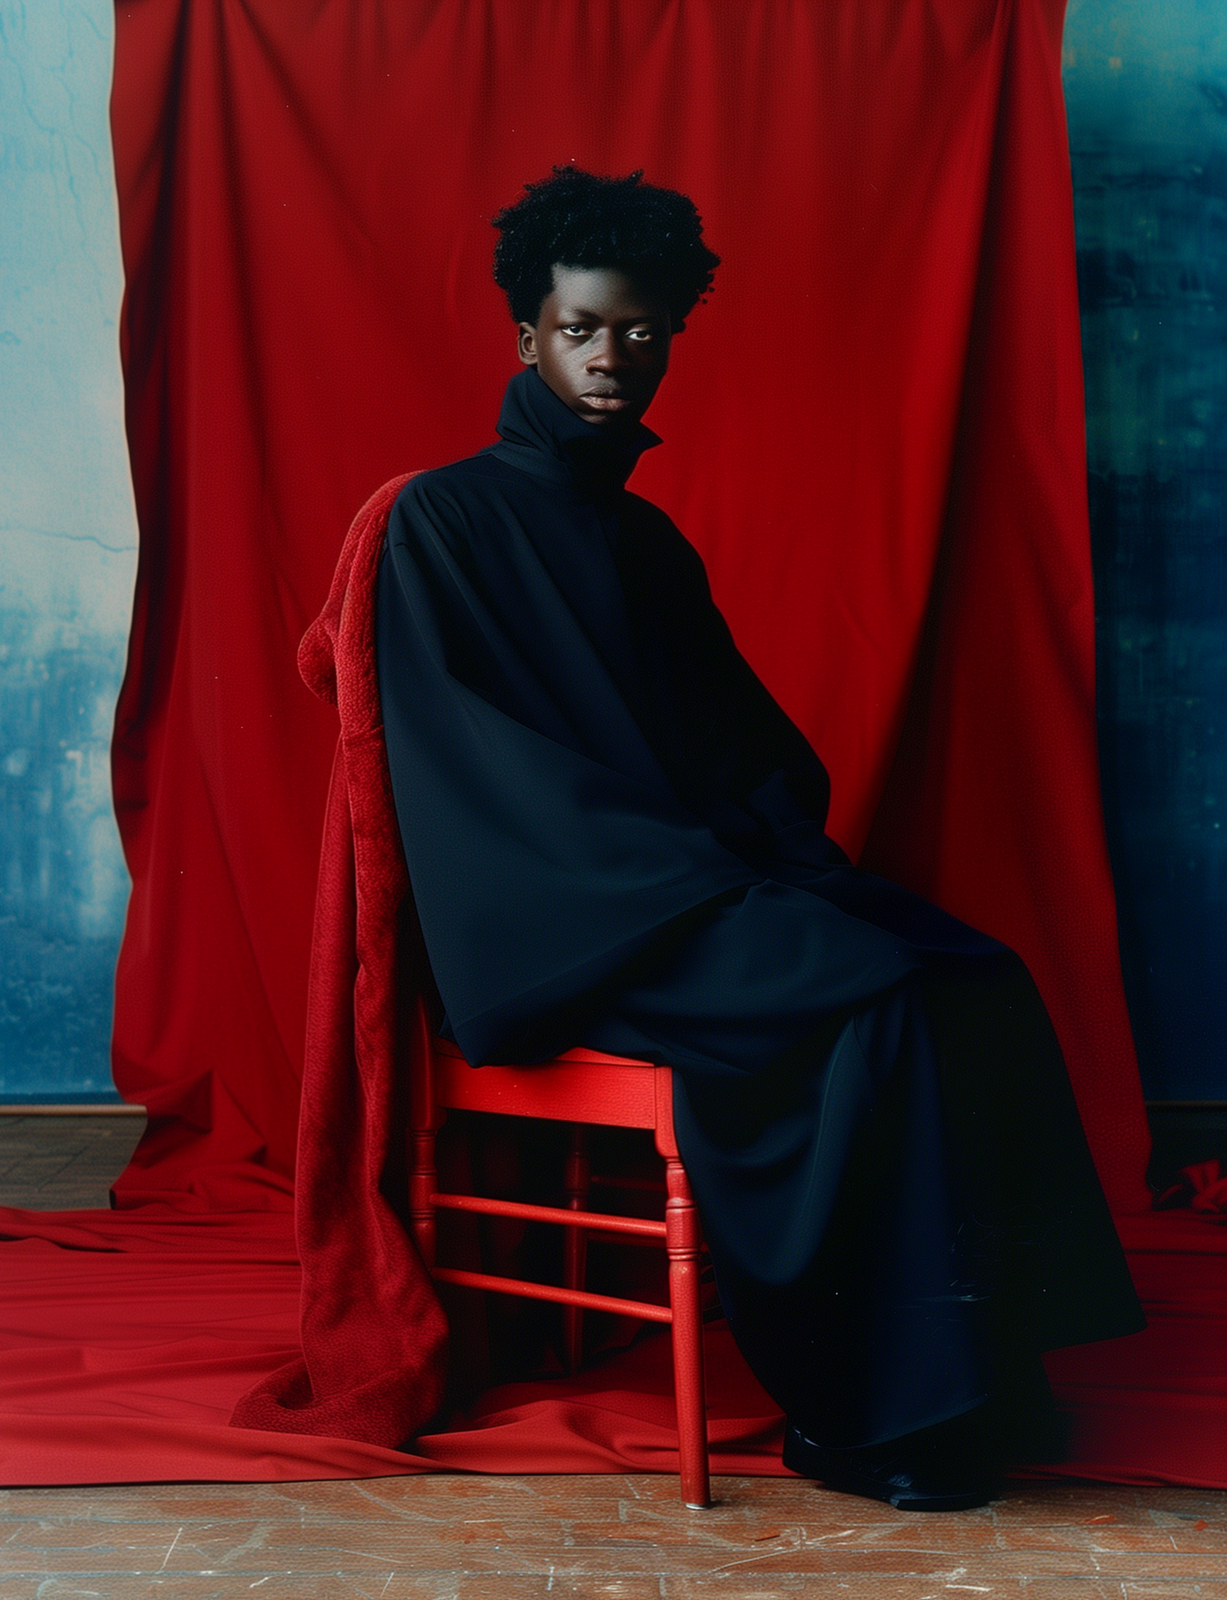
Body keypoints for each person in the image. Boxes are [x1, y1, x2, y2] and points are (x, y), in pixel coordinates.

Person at [373, 166, 1144, 1511]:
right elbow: (481, 778)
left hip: (687, 885)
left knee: (973, 974)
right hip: (564, 920)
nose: (614, 356)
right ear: (527, 334)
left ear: (671, 335)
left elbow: (747, 752)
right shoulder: (442, 519)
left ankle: (984, 1366)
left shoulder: (645, 540)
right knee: (875, 1002)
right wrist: (698, 876)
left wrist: (763, 846)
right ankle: (868, 1411)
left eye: (642, 331)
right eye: (583, 327)